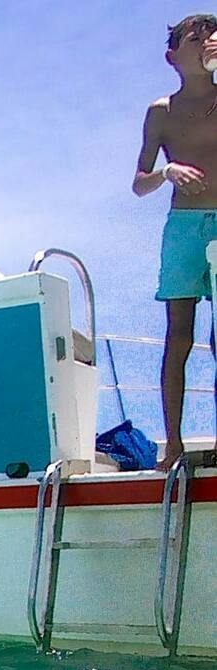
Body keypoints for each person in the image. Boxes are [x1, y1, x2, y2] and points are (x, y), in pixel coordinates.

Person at [135, 13, 217, 470]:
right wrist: (167, 170)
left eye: (213, 34)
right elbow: (139, 181)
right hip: (183, 228)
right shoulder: (160, 111)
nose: (207, 41)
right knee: (179, 336)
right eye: (197, 36)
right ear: (173, 56)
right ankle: (174, 445)